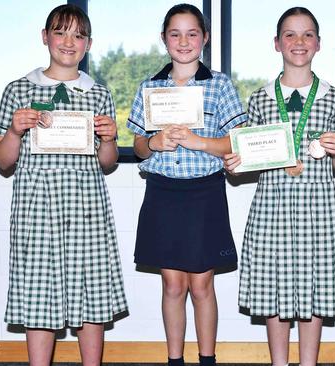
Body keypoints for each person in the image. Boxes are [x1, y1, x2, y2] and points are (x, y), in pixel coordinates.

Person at [0, 4, 127, 365]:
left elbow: (107, 163)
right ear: (44, 36)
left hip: (87, 209)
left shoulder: (99, 93)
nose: (69, 41)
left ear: (89, 44)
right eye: (60, 32)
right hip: (37, 210)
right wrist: (13, 130)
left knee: (91, 292)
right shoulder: (18, 90)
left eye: (78, 35)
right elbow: (4, 160)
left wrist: (111, 139)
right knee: (39, 292)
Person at [223, 7, 335, 366]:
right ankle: (278, 362)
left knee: (313, 289)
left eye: (307, 34)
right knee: (273, 290)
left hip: (317, 209)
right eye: (290, 35)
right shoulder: (260, 99)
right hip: (271, 209)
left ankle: (309, 362)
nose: (299, 42)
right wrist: (235, 164)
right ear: (277, 43)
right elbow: (248, 159)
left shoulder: (333, 97)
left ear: (319, 44)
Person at [126, 4, 246, 366]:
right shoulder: (151, 87)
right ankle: (174, 360)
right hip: (163, 192)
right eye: (175, 34)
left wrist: (200, 142)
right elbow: (137, 145)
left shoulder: (220, 84)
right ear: (164, 40)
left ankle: (207, 359)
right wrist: (153, 143)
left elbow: (237, 142)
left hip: (204, 192)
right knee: (173, 286)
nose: (184, 41)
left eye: (192, 33)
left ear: (205, 39)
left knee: (202, 286)